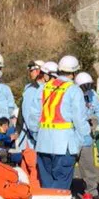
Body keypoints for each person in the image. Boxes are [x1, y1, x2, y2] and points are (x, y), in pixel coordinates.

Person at [35, 55, 90, 191]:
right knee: (61, 187)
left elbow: (33, 117)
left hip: (43, 144)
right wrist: (84, 136)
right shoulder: (74, 90)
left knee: (47, 186)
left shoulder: (43, 88)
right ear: (74, 73)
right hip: (64, 145)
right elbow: (79, 120)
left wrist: (38, 135)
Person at [75, 71, 99, 195]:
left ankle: (92, 190)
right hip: (73, 133)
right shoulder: (72, 94)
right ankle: (66, 192)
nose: (87, 89)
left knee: (88, 164)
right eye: (84, 86)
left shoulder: (91, 94)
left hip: (86, 133)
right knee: (68, 165)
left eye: (88, 86)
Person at [17, 60, 45, 150]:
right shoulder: (31, 89)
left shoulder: (46, 87)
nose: (30, 73)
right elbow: (27, 115)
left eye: (32, 71)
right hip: (31, 138)